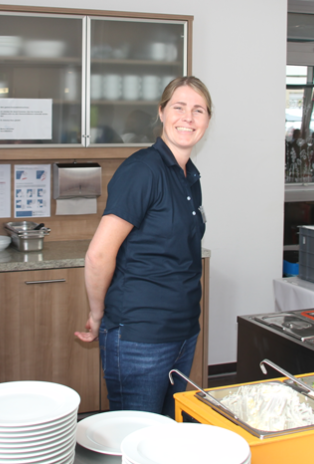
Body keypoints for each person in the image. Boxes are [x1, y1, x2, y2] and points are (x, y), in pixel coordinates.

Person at [75, 76, 212, 417]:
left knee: (163, 434)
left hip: (183, 331)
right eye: (178, 107)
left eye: (199, 110)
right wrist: (97, 313)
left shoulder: (188, 177)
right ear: (162, 113)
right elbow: (99, 255)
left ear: (208, 121)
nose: (188, 118)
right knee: (135, 436)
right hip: (140, 337)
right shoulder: (142, 171)